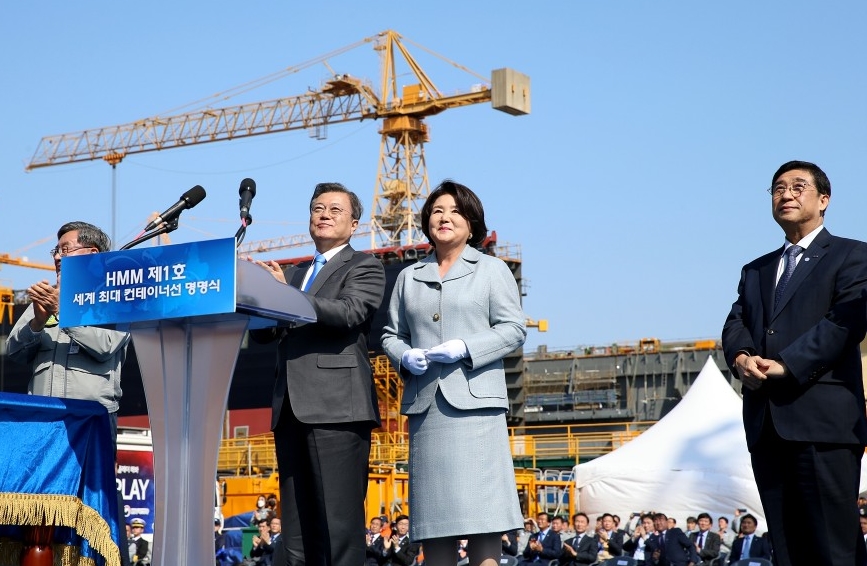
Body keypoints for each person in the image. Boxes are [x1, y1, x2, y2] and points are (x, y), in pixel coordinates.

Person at [722, 160, 867, 566]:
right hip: (767, 426)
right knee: (787, 551)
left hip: (823, 424)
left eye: (798, 186)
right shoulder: (756, 270)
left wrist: (786, 364)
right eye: (777, 188)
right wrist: (741, 357)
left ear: (824, 200)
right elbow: (736, 322)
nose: (785, 194)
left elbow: (844, 324)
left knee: (833, 548)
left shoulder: (852, 256)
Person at [381, 180, 527, 566]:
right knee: (435, 530)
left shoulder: (493, 270)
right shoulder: (408, 277)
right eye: (437, 211)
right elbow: (390, 335)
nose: (444, 218)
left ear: (472, 223)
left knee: (484, 528)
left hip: (477, 411)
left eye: (455, 212)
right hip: (428, 412)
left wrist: (465, 348)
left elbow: (514, 329)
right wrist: (404, 356)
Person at [249, 182, 386, 566]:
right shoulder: (293, 274)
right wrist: (259, 298)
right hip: (290, 408)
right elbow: (266, 334)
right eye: (317, 208)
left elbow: (348, 313)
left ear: (354, 224)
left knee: (337, 526)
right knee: (294, 529)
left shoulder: (364, 266)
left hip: (337, 410)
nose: (323, 215)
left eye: (334, 210)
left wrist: (284, 296)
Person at [6, 221, 131, 439]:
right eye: (55, 251)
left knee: (90, 475)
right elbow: (14, 352)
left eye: (65, 250)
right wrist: (37, 323)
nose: (56, 257)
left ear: (91, 253)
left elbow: (105, 345)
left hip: (89, 418)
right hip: (42, 417)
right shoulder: (46, 298)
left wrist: (60, 310)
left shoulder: (115, 298)